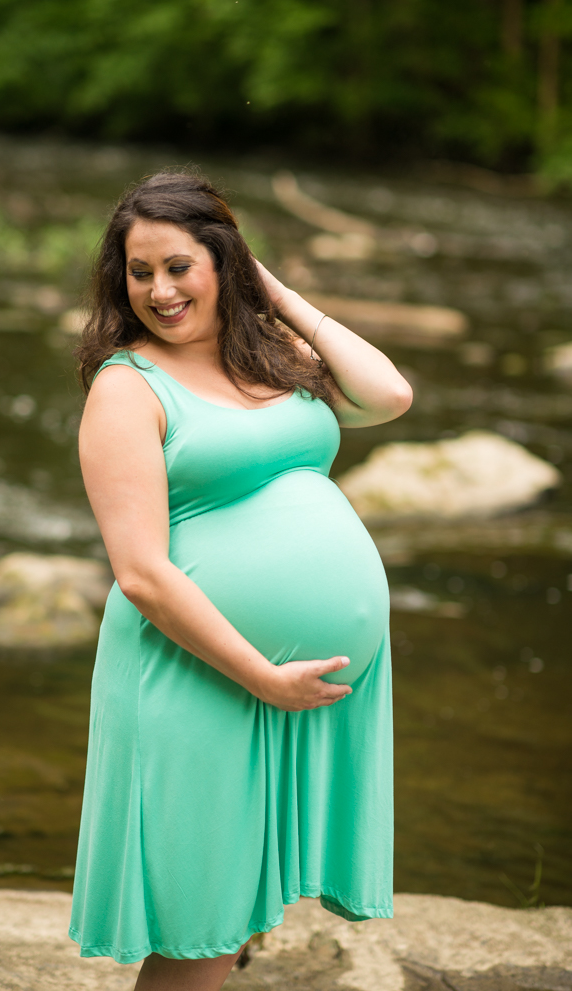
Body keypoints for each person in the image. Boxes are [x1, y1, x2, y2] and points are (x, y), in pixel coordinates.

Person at [69, 171, 412, 991]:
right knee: (199, 928)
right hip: (202, 675)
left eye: (179, 265)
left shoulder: (275, 356)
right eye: (139, 270)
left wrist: (278, 293)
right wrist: (260, 674)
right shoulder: (128, 388)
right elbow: (143, 574)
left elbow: (388, 394)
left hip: (282, 686)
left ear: (227, 262)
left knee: (239, 911)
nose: (158, 289)